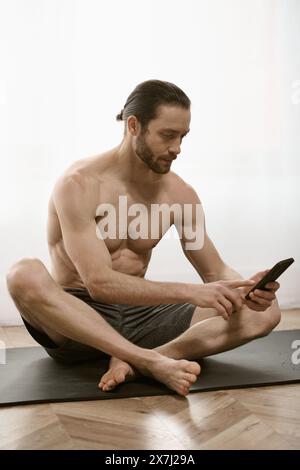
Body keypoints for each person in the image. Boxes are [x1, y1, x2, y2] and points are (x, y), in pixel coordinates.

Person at [6, 80, 281, 396]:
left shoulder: (181, 195)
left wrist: (248, 289)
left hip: (143, 321)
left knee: (267, 313)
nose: (177, 148)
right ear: (133, 126)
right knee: (22, 274)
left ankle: (147, 360)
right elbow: (98, 282)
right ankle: (144, 360)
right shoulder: (79, 184)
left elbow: (215, 272)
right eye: (167, 135)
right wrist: (191, 292)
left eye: (182, 137)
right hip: (78, 322)